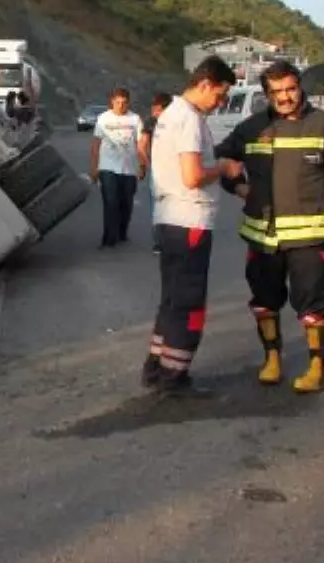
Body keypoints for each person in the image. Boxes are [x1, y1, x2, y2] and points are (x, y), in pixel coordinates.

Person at [215, 60, 324, 395]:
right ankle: (272, 359)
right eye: (277, 92)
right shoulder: (251, 128)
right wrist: (238, 186)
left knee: (312, 304)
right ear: (267, 95)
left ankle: (317, 367)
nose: (285, 97)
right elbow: (222, 159)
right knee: (265, 301)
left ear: (300, 87)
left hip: (307, 237)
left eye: (290, 89)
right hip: (261, 236)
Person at [142, 56, 237, 393]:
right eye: (220, 95)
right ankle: (174, 375)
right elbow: (193, 176)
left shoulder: (170, 114)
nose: (220, 103)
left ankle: (156, 366)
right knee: (188, 302)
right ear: (205, 84)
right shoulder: (189, 119)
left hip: (169, 220)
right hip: (190, 221)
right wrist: (223, 169)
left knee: (171, 298)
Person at [89, 87, 143, 248]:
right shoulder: (103, 119)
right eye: (117, 102)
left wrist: (142, 164)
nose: (120, 106)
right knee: (110, 202)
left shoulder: (135, 119)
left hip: (129, 168)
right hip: (107, 167)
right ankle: (108, 238)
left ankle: (121, 231)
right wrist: (94, 167)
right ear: (112, 102)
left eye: (124, 103)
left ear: (128, 103)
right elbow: (95, 145)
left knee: (126, 203)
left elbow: (141, 144)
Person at [138, 92, 174, 255]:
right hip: (158, 171)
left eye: (157, 109)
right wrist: (147, 164)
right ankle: (159, 242)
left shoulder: (175, 122)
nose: (154, 111)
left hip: (174, 169)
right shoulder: (150, 122)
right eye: (153, 108)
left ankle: (169, 240)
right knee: (158, 206)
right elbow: (142, 146)